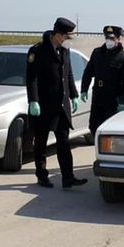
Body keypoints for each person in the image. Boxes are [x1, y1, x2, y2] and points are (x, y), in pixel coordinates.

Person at [26, 17, 87, 189]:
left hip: (61, 105)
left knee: (64, 141)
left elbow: (68, 73)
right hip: (44, 104)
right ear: (58, 35)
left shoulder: (64, 50)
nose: (69, 40)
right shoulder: (38, 50)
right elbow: (31, 78)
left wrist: (73, 95)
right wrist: (33, 100)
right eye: (67, 36)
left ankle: (68, 177)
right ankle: (42, 175)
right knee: (41, 142)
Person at [80, 25, 124, 136]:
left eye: (112, 38)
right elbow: (88, 72)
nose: (109, 41)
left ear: (118, 39)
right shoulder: (97, 53)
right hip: (98, 99)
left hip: (113, 102)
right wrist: (84, 89)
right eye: (107, 38)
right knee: (94, 127)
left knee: (111, 131)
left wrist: (123, 101)